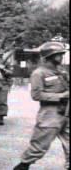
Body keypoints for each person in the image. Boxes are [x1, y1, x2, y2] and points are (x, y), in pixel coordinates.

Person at [13, 42, 69, 170]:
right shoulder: (39, 73)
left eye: (62, 54)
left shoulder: (61, 71)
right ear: (49, 56)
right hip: (50, 114)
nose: (61, 57)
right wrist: (61, 96)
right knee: (39, 146)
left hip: (66, 112)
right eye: (58, 55)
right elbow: (36, 95)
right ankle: (23, 166)